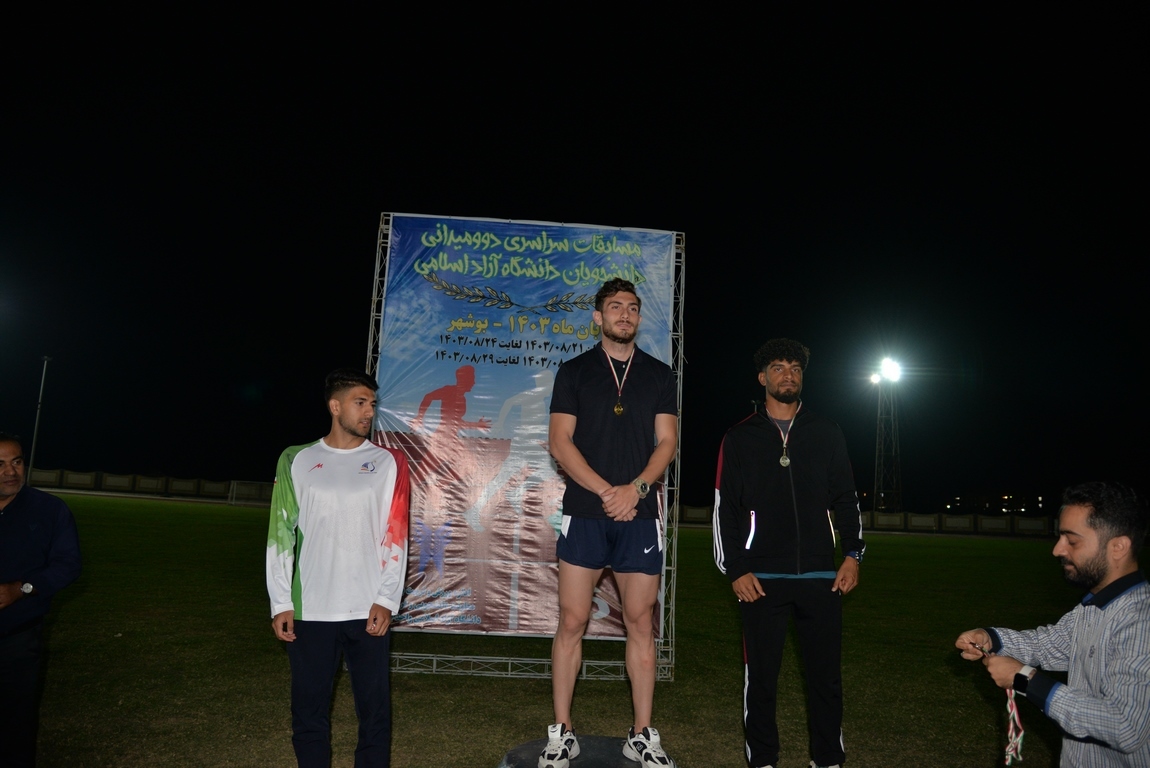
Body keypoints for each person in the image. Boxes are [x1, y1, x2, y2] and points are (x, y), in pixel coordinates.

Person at [541, 278, 679, 768]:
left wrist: (635, 489)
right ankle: (562, 732)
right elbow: (560, 442)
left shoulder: (660, 374)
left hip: (639, 516)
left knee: (640, 622)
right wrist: (607, 492)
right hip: (585, 512)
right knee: (572, 620)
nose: (625, 314)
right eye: (616, 307)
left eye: (633, 307)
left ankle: (642, 735)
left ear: (639, 317)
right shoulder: (575, 371)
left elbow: (668, 441)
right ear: (598, 317)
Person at [713, 339, 864, 768]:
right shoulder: (739, 437)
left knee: (826, 679)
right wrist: (736, 569)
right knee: (761, 679)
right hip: (760, 579)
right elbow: (726, 508)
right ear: (762, 377)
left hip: (821, 577)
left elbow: (846, 498)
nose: (788, 375)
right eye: (778, 368)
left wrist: (852, 555)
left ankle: (828, 759)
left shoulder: (827, 431)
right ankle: (763, 759)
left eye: (795, 368)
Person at [266, 369, 410, 768]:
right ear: (335, 406)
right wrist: (281, 602)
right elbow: (280, 535)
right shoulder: (295, 459)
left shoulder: (390, 461)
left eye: (372, 404)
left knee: (375, 711)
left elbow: (397, 535)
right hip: (311, 608)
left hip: (368, 608)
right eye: (360, 403)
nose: (369, 412)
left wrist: (386, 599)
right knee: (308, 711)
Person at [956, 481, 1150, 767]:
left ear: (1118, 546)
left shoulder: (1141, 620)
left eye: (1072, 541)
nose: (1057, 550)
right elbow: (1047, 645)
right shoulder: (1094, 607)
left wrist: (1025, 679)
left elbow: (1125, 726)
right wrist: (990, 638)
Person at [0, 432, 82, 768]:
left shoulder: (49, 510)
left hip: (18, 638)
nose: (11, 471)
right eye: (0, 464)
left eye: (17, 461)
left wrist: (22, 588)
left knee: (14, 724)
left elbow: (68, 565)